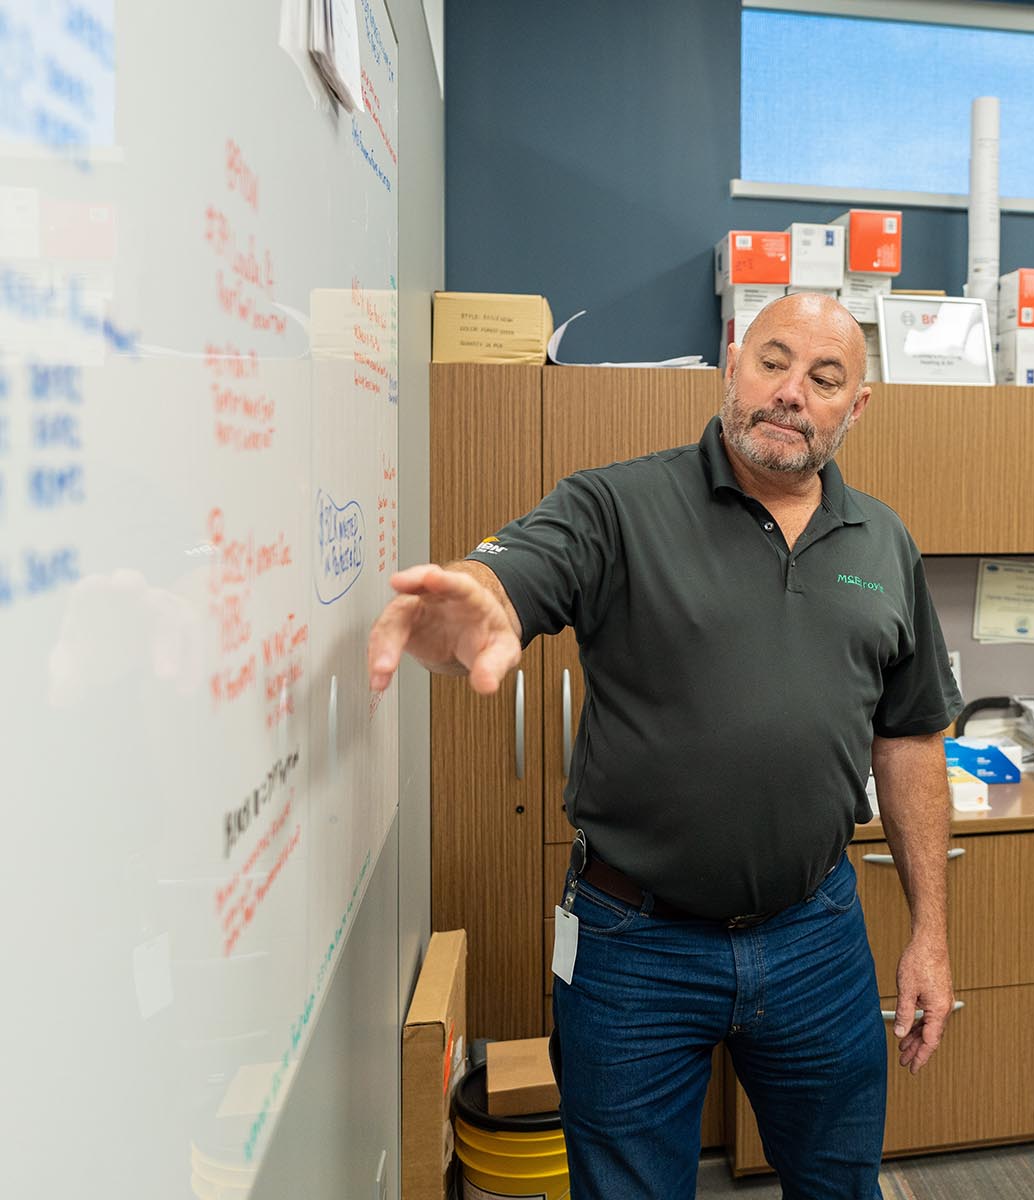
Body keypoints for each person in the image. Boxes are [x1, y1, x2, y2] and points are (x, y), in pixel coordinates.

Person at [368, 293, 961, 1198]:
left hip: (817, 934)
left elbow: (910, 738)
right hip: (633, 944)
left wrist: (931, 932)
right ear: (732, 363)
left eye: (825, 377)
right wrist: (484, 591)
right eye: (773, 361)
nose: (792, 392)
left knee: (840, 1183)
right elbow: (525, 565)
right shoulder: (617, 505)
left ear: (857, 406)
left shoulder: (884, 542)